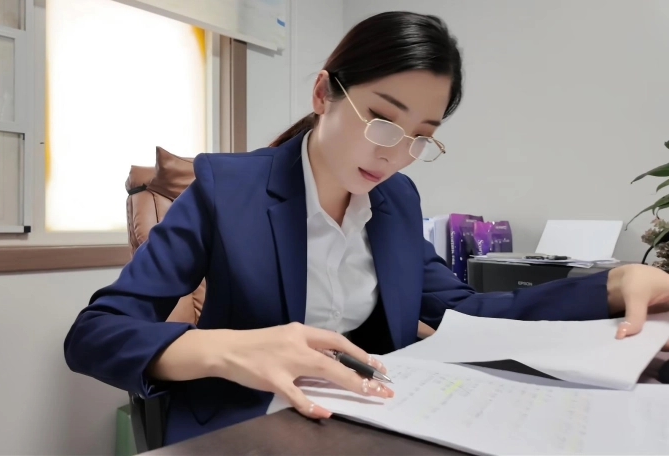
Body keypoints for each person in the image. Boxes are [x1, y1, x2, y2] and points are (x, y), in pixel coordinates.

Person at [64, 11, 669, 446]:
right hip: (249, 426)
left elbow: (465, 311)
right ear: (323, 92)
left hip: (370, 418)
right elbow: (96, 332)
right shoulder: (229, 187)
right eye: (382, 120)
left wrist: (612, 286)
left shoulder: (395, 201)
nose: (394, 154)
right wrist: (229, 349)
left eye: (421, 137)